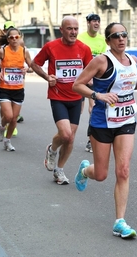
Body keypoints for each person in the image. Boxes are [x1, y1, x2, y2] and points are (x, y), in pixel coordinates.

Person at [73, 22, 137, 239]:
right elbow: (77, 85)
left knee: (124, 170)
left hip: (126, 120)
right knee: (101, 174)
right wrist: (98, 96)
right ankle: (85, 171)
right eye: (115, 36)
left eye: (124, 35)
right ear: (108, 40)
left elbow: (128, 86)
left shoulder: (132, 60)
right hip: (102, 122)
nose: (121, 39)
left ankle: (120, 221)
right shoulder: (101, 61)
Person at [31, 16, 93, 185]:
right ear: (62, 30)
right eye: (69, 29)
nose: (73, 32)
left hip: (76, 98)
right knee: (65, 134)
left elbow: (90, 71)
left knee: (71, 138)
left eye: (76, 29)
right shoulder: (51, 47)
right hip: (58, 96)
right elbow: (34, 63)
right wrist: (46, 76)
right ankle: (52, 149)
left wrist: (89, 82)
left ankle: (59, 170)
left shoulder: (84, 49)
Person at [0, 27, 32, 151]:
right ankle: (2, 127)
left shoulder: (24, 52)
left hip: (18, 88)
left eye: (16, 37)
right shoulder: (3, 51)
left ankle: (7, 141)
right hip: (5, 88)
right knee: (8, 116)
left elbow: (32, 66)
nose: (14, 39)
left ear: (20, 37)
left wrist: (27, 69)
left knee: (14, 119)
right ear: (8, 39)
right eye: (11, 37)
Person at [77, 13, 107, 153]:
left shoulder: (102, 40)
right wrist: (85, 75)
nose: (96, 23)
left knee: (93, 107)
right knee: (79, 110)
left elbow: (103, 59)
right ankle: (70, 133)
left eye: (98, 21)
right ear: (88, 23)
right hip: (81, 78)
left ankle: (91, 139)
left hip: (96, 78)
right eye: (93, 21)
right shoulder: (80, 38)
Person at [0, 21, 25, 128]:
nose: (13, 37)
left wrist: (23, 68)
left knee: (15, 98)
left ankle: (12, 121)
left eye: (12, 28)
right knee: (5, 101)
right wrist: (6, 64)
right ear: (5, 31)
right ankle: (5, 121)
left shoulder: (21, 43)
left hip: (17, 77)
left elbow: (23, 58)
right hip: (2, 74)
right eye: (8, 29)